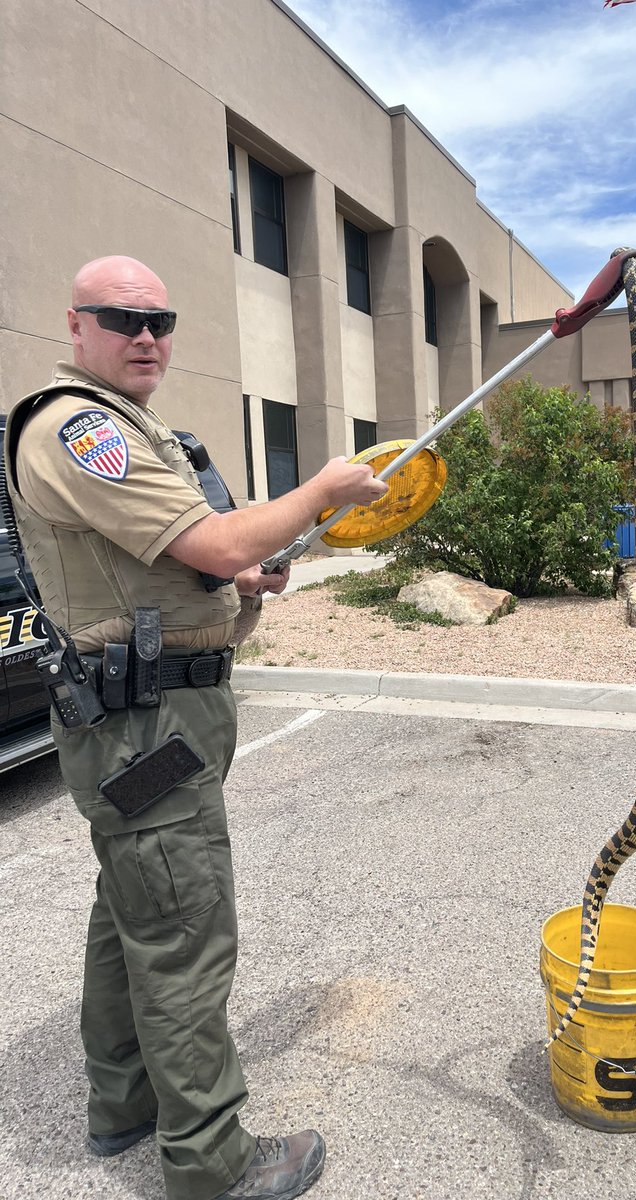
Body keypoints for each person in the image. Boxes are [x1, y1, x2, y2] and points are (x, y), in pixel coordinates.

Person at [4, 256, 388, 1200]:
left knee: (133, 911)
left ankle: (125, 1102)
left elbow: (182, 564)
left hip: (154, 715)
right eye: (121, 318)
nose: (146, 336)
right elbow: (212, 539)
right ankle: (212, 1162)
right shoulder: (79, 426)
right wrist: (322, 493)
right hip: (145, 724)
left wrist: (240, 579)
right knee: (183, 928)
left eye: (160, 320)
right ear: (77, 324)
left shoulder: (135, 427)